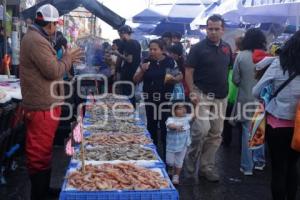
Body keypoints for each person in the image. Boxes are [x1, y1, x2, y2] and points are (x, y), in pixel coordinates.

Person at [19, 4, 82, 200]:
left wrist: (65, 59)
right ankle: (39, 195)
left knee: (44, 151)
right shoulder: (36, 41)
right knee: (39, 154)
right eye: (56, 25)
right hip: (41, 107)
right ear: (51, 25)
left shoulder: (37, 38)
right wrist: (68, 58)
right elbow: (53, 71)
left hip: (45, 106)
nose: (56, 29)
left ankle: (44, 191)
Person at [184, 14, 232, 182]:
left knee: (216, 133)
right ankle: (190, 164)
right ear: (206, 29)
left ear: (222, 30)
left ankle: (206, 167)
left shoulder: (227, 48)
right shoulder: (197, 48)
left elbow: (227, 69)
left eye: (216, 29)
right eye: (209, 29)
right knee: (201, 130)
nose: (212, 32)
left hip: (221, 96)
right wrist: (192, 91)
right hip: (202, 94)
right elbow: (188, 71)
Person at [252, 30, 300, 200]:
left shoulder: (278, 64)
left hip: (277, 125)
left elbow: (256, 91)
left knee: (279, 169)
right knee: (293, 166)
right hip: (299, 128)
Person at [133, 39, 182, 160]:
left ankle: (167, 158)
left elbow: (179, 76)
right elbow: (135, 79)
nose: (152, 51)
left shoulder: (170, 62)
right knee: (151, 126)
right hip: (150, 99)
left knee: (166, 127)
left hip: (165, 99)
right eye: (150, 49)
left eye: (155, 49)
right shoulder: (146, 62)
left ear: (162, 50)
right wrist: (143, 70)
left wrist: (173, 80)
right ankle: (152, 155)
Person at [232, 28, 266, 176]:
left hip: (246, 98)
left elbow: (235, 79)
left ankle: (247, 167)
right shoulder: (267, 57)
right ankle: (259, 162)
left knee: (247, 131)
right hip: (263, 99)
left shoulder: (241, 56)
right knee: (259, 130)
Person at [166, 101, 193, 185]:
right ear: (174, 111)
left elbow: (193, 115)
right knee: (169, 161)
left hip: (183, 144)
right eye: (180, 108)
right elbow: (169, 125)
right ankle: (171, 168)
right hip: (171, 145)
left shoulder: (186, 118)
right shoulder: (171, 119)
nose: (183, 110)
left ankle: (176, 176)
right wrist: (175, 126)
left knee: (179, 161)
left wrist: (197, 104)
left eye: (184, 108)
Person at [114, 25, 141, 105]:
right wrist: (117, 72)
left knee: (129, 95)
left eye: (120, 34)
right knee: (126, 95)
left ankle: (131, 112)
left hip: (131, 73)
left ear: (123, 33)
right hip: (126, 73)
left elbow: (129, 59)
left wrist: (117, 54)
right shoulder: (124, 43)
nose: (119, 36)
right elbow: (120, 60)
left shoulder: (131, 43)